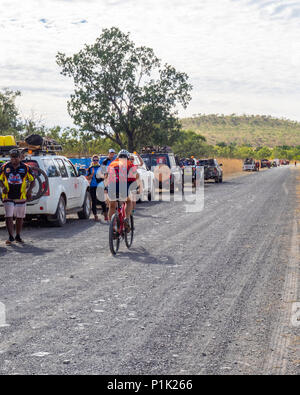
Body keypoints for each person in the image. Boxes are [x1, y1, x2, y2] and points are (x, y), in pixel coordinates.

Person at [0, 149, 35, 245]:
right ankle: (10, 237)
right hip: (8, 195)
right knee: (8, 216)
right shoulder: (4, 167)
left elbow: (33, 180)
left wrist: (29, 191)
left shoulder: (26, 168)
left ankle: (18, 236)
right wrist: (3, 187)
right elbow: (0, 179)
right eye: (12, 157)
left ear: (20, 157)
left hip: (21, 195)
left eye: (16, 157)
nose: (14, 159)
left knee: (19, 217)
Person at [106, 149, 139, 230]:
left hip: (112, 186)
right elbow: (136, 176)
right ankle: (127, 219)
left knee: (112, 206)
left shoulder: (112, 163)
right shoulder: (129, 164)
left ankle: (112, 228)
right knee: (128, 201)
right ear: (127, 157)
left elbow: (107, 176)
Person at [87, 155, 107, 222]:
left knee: (102, 201)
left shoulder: (101, 167)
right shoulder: (90, 168)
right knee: (94, 201)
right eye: (94, 160)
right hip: (92, 186)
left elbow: (106, 176)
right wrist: (92, 174)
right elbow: (88, 178)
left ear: (98, 161)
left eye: (97, 160)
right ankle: (95, 216)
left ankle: (105, 214)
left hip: (100, 186)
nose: (95, 161)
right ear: (92, 161)